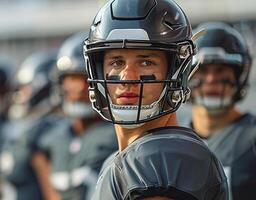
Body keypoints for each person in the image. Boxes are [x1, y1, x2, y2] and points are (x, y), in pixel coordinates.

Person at [83, 0, 228, 199]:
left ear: (176, 70)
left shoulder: (162, 157)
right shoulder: (131, 156)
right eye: (117, 62)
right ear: (98, 68)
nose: (128, 77)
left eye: (146, 62)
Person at [32, 32, 118, 200]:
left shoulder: (118, 134)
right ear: (60, 83)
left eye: (86, 78)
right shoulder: (50, 138)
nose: (79, 87)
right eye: (71, 78)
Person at [189, 22, 256, 199]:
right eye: (202, 69)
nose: (211, 79)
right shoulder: (173, 139)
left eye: (221, 69)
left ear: (239, 75)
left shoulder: (252, 138)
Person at [0, 50, 59, 200]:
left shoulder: (45, 130)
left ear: (43, 87)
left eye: (25, 87)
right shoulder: (20, 128)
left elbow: (52, 193)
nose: (20, 93)